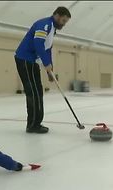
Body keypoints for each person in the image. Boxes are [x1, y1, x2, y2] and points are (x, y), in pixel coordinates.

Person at [15, 6, 71, 134]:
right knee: (33, 92)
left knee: (38, 91)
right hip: (25, 59)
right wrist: (46, 63)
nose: (64, 24)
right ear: (57, 16)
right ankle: (32, 125)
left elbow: (47, 48)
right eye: (63, 21)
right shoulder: (44, 24)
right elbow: (38, 43)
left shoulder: (52, 29)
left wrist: (49, 69)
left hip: (32, 61)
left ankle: (36, 123)